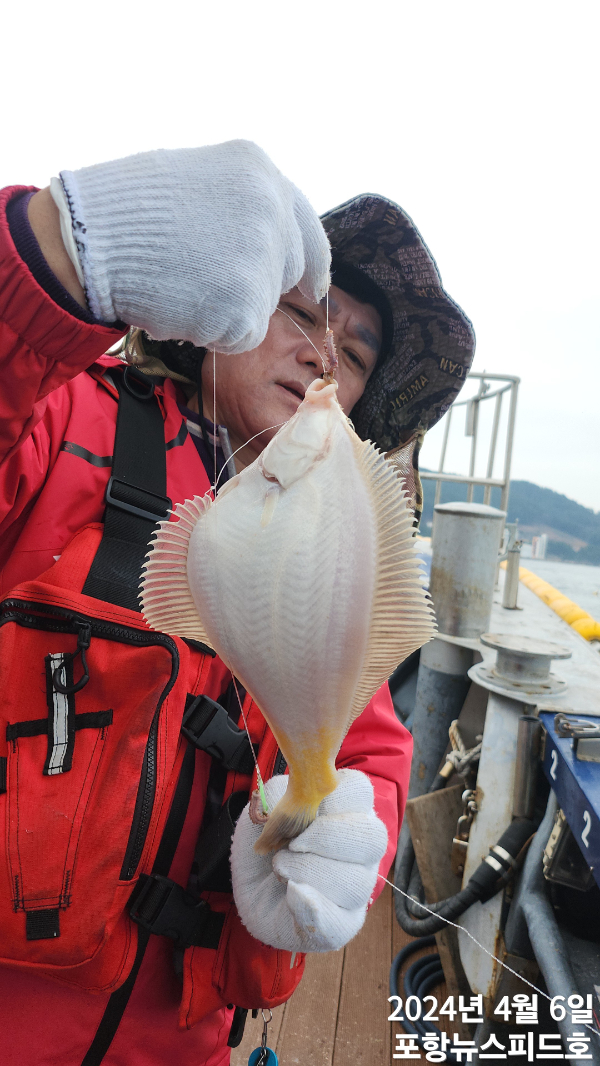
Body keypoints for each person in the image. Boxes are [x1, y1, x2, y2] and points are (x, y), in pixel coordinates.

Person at [0, 141, 474, 1065]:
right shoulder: (62, 423)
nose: (321, 354)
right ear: (225, 309)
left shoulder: (348, 549)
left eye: (354, 355)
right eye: (298, 312)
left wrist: (351, 835)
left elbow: (368, 745)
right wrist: (52, 253)